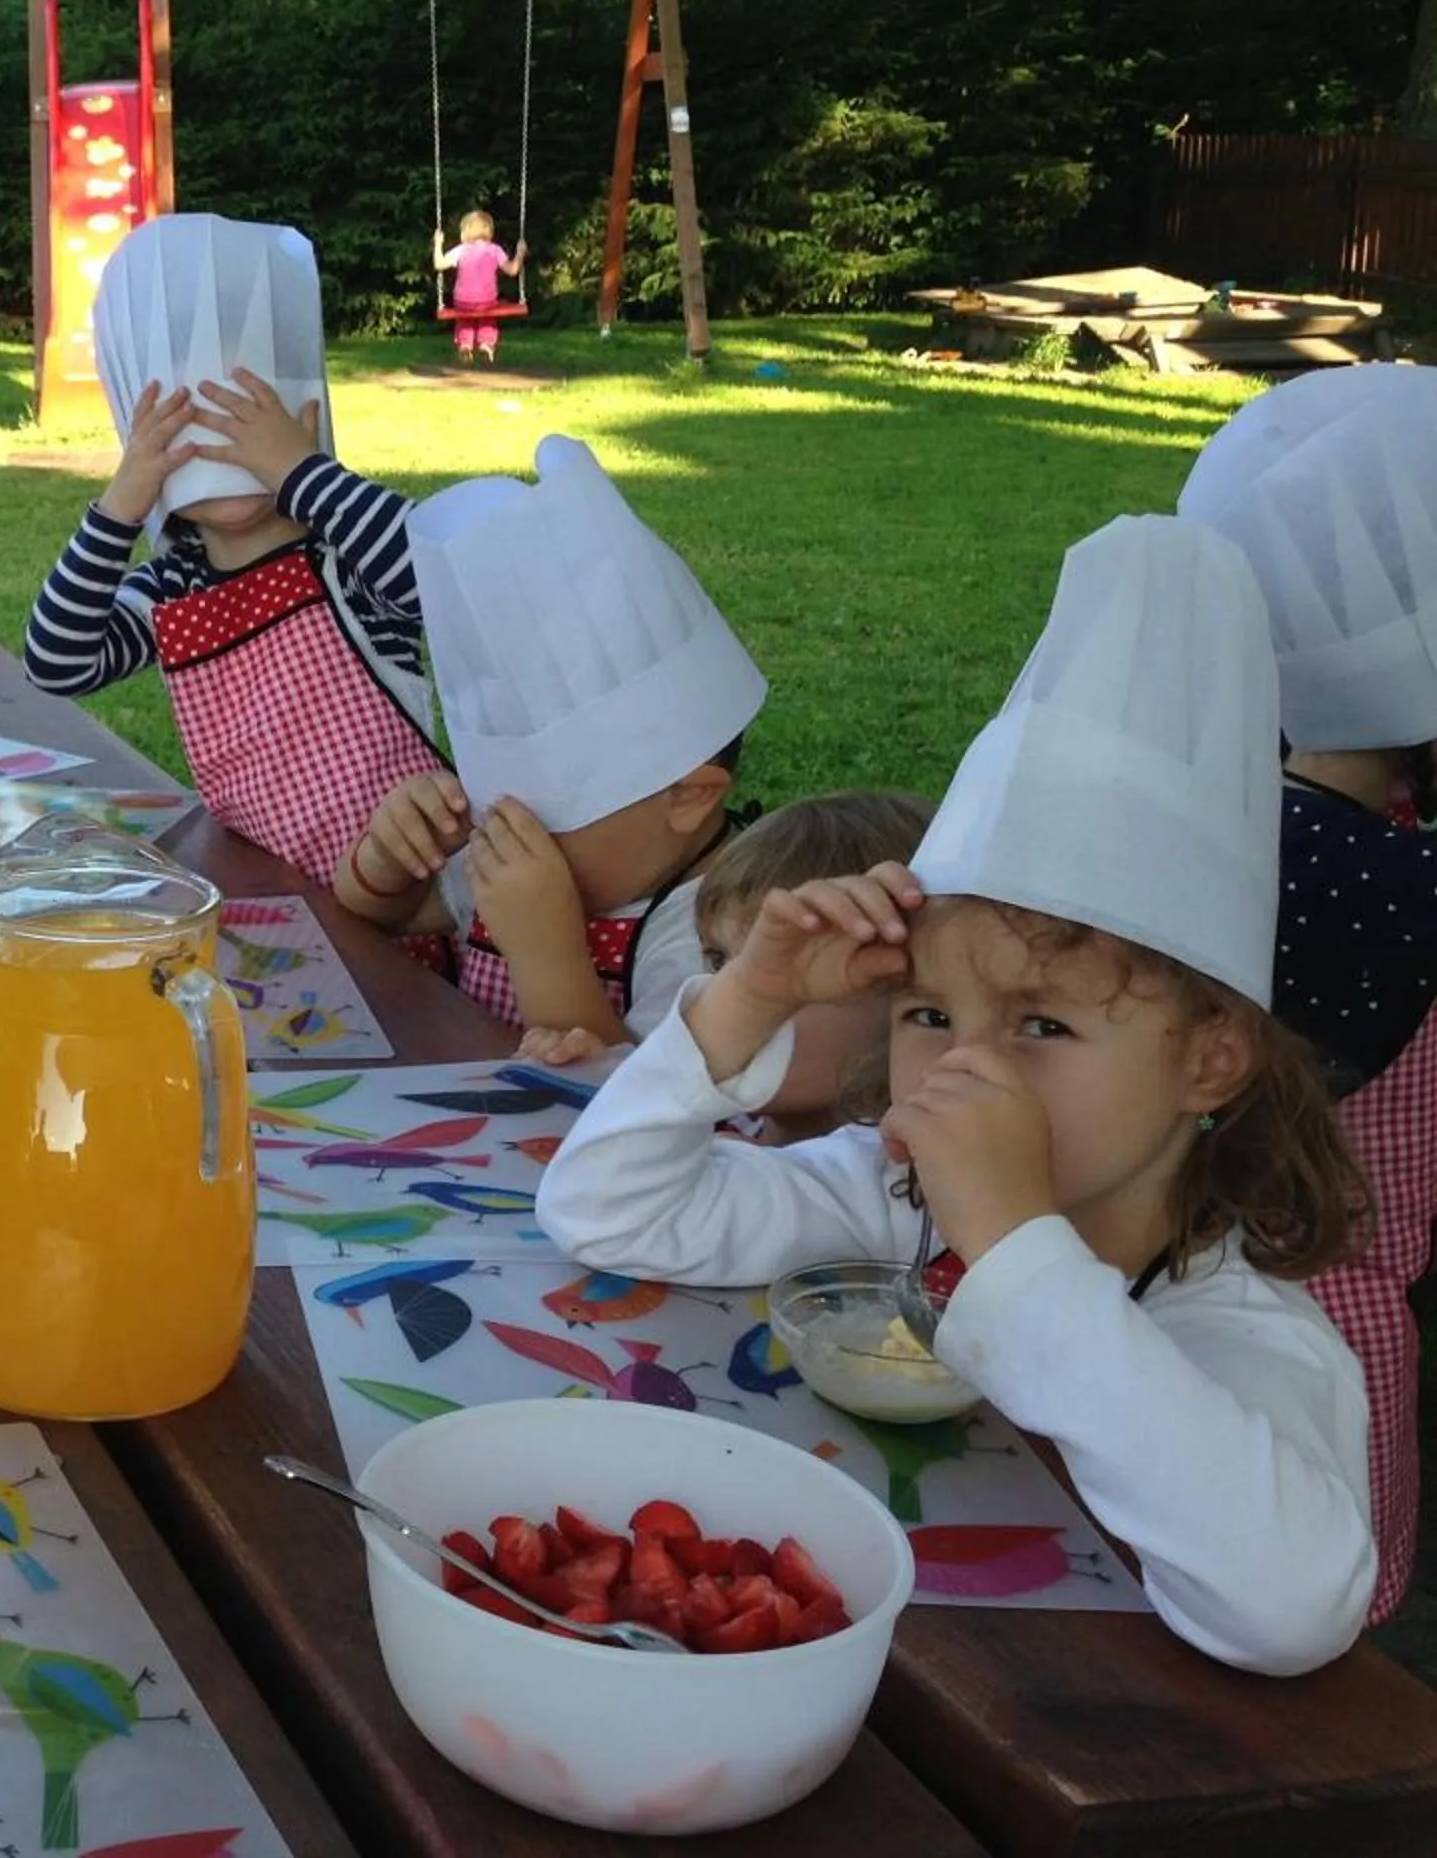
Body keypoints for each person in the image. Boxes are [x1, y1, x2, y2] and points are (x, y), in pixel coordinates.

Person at [537, 514, 1376, 1677]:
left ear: (1210, 1059)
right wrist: (748, 996)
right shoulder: (896, 1208)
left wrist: (1019, 1242)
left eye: (1043, 1024)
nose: (967, 1069)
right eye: (931, 1013)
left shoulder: (1247, 1340)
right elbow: (607, 1213)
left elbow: (1292, 1609)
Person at [1187, 365, 1437, 1626]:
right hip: (1337, 1334)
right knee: (1316, 1618)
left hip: (1143, 1286)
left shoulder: (1180, 818)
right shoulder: (1410, 885)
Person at [24, 214, 450, 889]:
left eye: (250, 422)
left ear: (304, 415)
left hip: (405, 895)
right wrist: (120, 504)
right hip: (270, 896)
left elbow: (445, 585)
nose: (225, 447)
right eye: (188, 428)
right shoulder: (176, 587)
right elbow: (57, 662)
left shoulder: (349, 557)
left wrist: (304, 474)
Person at [339, 434, 764, 1040]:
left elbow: (641, 1109)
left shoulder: (716, 935)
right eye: (494, 807)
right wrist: (388, 860)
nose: (511, 831)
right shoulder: (531, 848)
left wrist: (546, 951)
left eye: (554, 815)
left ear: (689, 797)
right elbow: (375, 922)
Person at [516, 791, 935, 1144]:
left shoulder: (897, 1196)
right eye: (717, 960)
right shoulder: (722, 1124)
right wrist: (604, 1086)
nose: (735, 988)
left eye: (795, 974)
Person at [434, 208, 525, 361]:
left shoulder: (461, 250)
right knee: (488, 317)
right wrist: (520, 253)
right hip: (487, 302)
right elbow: (513, 270)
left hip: (462, 301)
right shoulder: (495, 250)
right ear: (489, 232)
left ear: (465, 233)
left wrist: (437, 244)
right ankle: (486, 344)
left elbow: (439, 264)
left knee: (464, 319)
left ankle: (465, 345)